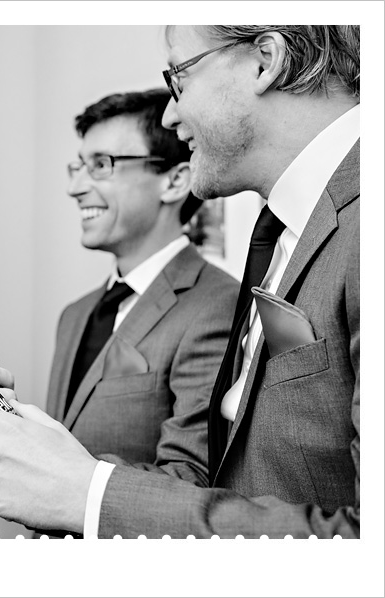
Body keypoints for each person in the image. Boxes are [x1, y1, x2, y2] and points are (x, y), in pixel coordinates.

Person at [0, 25, 360, 539]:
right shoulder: (285, 236)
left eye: (179, 78)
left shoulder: (348, 231)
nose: (172, 115)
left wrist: (85, 492)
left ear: (265, 60)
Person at [48, 89, 237, 484]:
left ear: (175, 181)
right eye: (78, 166)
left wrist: (47, 470)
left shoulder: (218, 307)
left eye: (102, 164)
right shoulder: (74, 316)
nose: (75, 187)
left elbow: (189, 478)